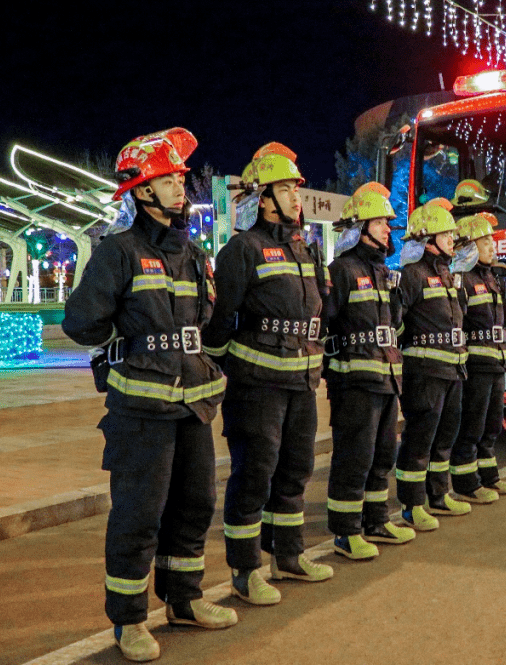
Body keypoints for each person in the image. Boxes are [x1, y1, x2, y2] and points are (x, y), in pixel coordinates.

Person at [62, 127, 235, 662]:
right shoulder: (118, 252)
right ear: (141, 190)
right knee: (139, 515)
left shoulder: (192, 254)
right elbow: (81, 322)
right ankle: (130, 620)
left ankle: (184, 600)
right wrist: (129, 341)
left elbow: (204, 319)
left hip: (192, 402)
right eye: (168, 178)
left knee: (196, 504)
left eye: (181, 176)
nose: (181, 185)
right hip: (141, 408)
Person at [202, 148, 333, 608]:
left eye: (296, 188)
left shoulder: (304, 248)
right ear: (263, 199)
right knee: (254, 476)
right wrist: (224, 368)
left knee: (296, 471)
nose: (296, 197)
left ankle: (288, 557)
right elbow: (221, 320)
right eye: (286, 189)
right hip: (256, 387)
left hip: (301, 384)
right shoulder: (243, 249)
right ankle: (245, 571)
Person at [323, 182, 417, 559]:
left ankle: (376, 521)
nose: (387, 230)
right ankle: (346, 533)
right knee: (354, 457)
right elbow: (326, 323)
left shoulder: (383, 272)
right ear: (359, 229)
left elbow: (393, 326)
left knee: (382, 455)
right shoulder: (341, 270)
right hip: (355, 382)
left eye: (387, 224)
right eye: (379, 223)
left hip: (386, 378)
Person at [394, 198, 471, 532]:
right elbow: (395, 323)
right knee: (419, 440)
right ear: (428, 239)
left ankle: (439, 495)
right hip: (424, 374)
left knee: (444, 436)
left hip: (452, 371)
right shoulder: (412, 275)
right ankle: (412, 506)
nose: (452, 240)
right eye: (446, 234)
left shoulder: (447, 274)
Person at [450, 211, 506, 503]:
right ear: (468, 246)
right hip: (475, 366)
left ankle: (490, 477)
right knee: (472, 426)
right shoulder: (461, 279)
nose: (492, 246)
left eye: (492, 240)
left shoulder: (490, 277)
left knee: (492, 425)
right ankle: (467, 485)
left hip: (496, 364)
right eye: (485, 241)